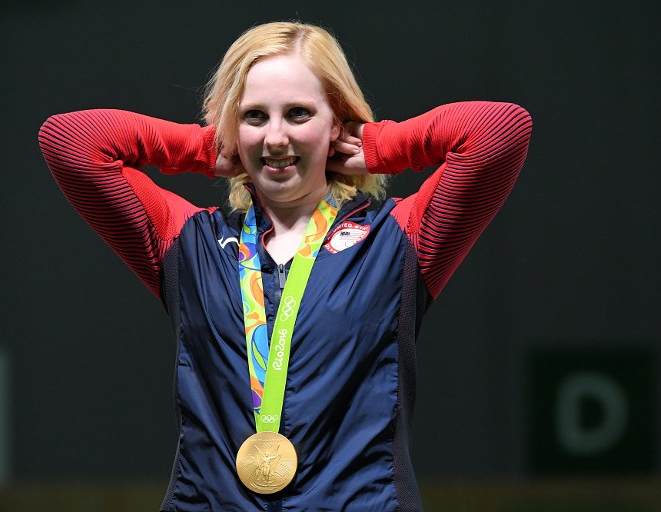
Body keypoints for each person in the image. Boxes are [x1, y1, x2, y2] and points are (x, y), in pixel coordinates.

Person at [39, 21, 532, 512]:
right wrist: (201, 148)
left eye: (298, 113)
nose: (275, 138)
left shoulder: (398, 238)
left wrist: (383, 146)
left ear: (335, 122)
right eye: (254, 116)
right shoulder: (189, 240)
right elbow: (70, 142)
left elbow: (499, 132)